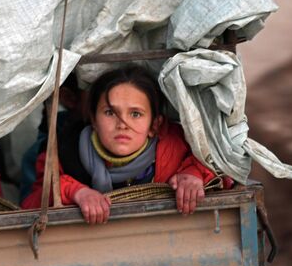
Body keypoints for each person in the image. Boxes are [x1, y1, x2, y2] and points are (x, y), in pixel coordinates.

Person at [21, 65, 231, 224]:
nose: (123, 125)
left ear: (155, 125)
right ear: (93, 119)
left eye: (136, 114)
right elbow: (31, 205)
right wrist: (74, 192)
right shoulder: (62, 152)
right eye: (110, 112)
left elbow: (223, 168)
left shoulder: (182, 146)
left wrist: (195, 174)